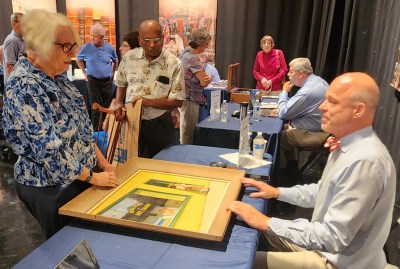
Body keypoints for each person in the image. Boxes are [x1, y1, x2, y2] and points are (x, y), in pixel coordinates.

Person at [229, 72, 396, 269]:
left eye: (332, 102)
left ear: (358, 110)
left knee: (238, 262)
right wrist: (276, 192)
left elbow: (333, 238)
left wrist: (266, 222)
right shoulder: (348, 144)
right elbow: (323, 192)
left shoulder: (365, 161)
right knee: (249, 233)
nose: (322, 107)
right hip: (327, 250)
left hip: (334, 262)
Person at [2, 9, 119, 239]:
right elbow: (51, 152)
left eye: (73, 45)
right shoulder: (25, 85)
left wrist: (102, 162)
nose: (73, 52)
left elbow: (81, 129)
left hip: (79, 176)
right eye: (65, 46)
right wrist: (94, 177)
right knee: (69, 247)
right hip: (50, 187)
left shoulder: (56, 73)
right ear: (42, 45)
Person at [115, 20, 185, 158]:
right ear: (139, 40)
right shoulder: (129, 58)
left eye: (157, 40)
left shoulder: (174, 64)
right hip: (130, 122)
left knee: (161, 166)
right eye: (147, 41)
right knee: (131, 164)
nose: (152, 45)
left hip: (160, 125)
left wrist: (146, 102)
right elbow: (121, 83)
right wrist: (118, 102)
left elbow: (177, 101)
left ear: (164, 38)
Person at [276, 58, 329, 170]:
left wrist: (284, 92)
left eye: (291, 72)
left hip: (316, 133)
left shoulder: (307, 91)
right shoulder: (318, 80)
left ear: (300, 73)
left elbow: (283, 113)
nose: (288, 74)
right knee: (284, 127)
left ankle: (278, 174)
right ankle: (292, 165)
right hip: (324, 130)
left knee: (275, 136)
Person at [76, 23, 118, 130]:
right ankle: (96, 132)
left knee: (107, 107)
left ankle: (106, 131)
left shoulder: (109, 48)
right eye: (91, 35)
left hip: (106, 82)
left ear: (101, 37)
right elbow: (78, 59)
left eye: (93, 36)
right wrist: (84, 73)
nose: (91, 38)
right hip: (92, 81)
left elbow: (115, 61)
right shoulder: (86, 47)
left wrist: (112, 74)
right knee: (95, 107)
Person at [179, 30, 212, 144]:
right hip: (191, 98)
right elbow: (204, 82)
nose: (207, 47)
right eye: (206, 44)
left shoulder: (184, 54)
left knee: (184, 130)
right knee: (188, 133)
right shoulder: (193, 58)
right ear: (200, 44)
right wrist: (209, 78)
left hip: (184, 97)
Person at [2, 12, 24, 84]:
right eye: (23, 23)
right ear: (14, 24)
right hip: (16, 86)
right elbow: (9, 67)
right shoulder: (12, 40)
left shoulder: (21, 39)